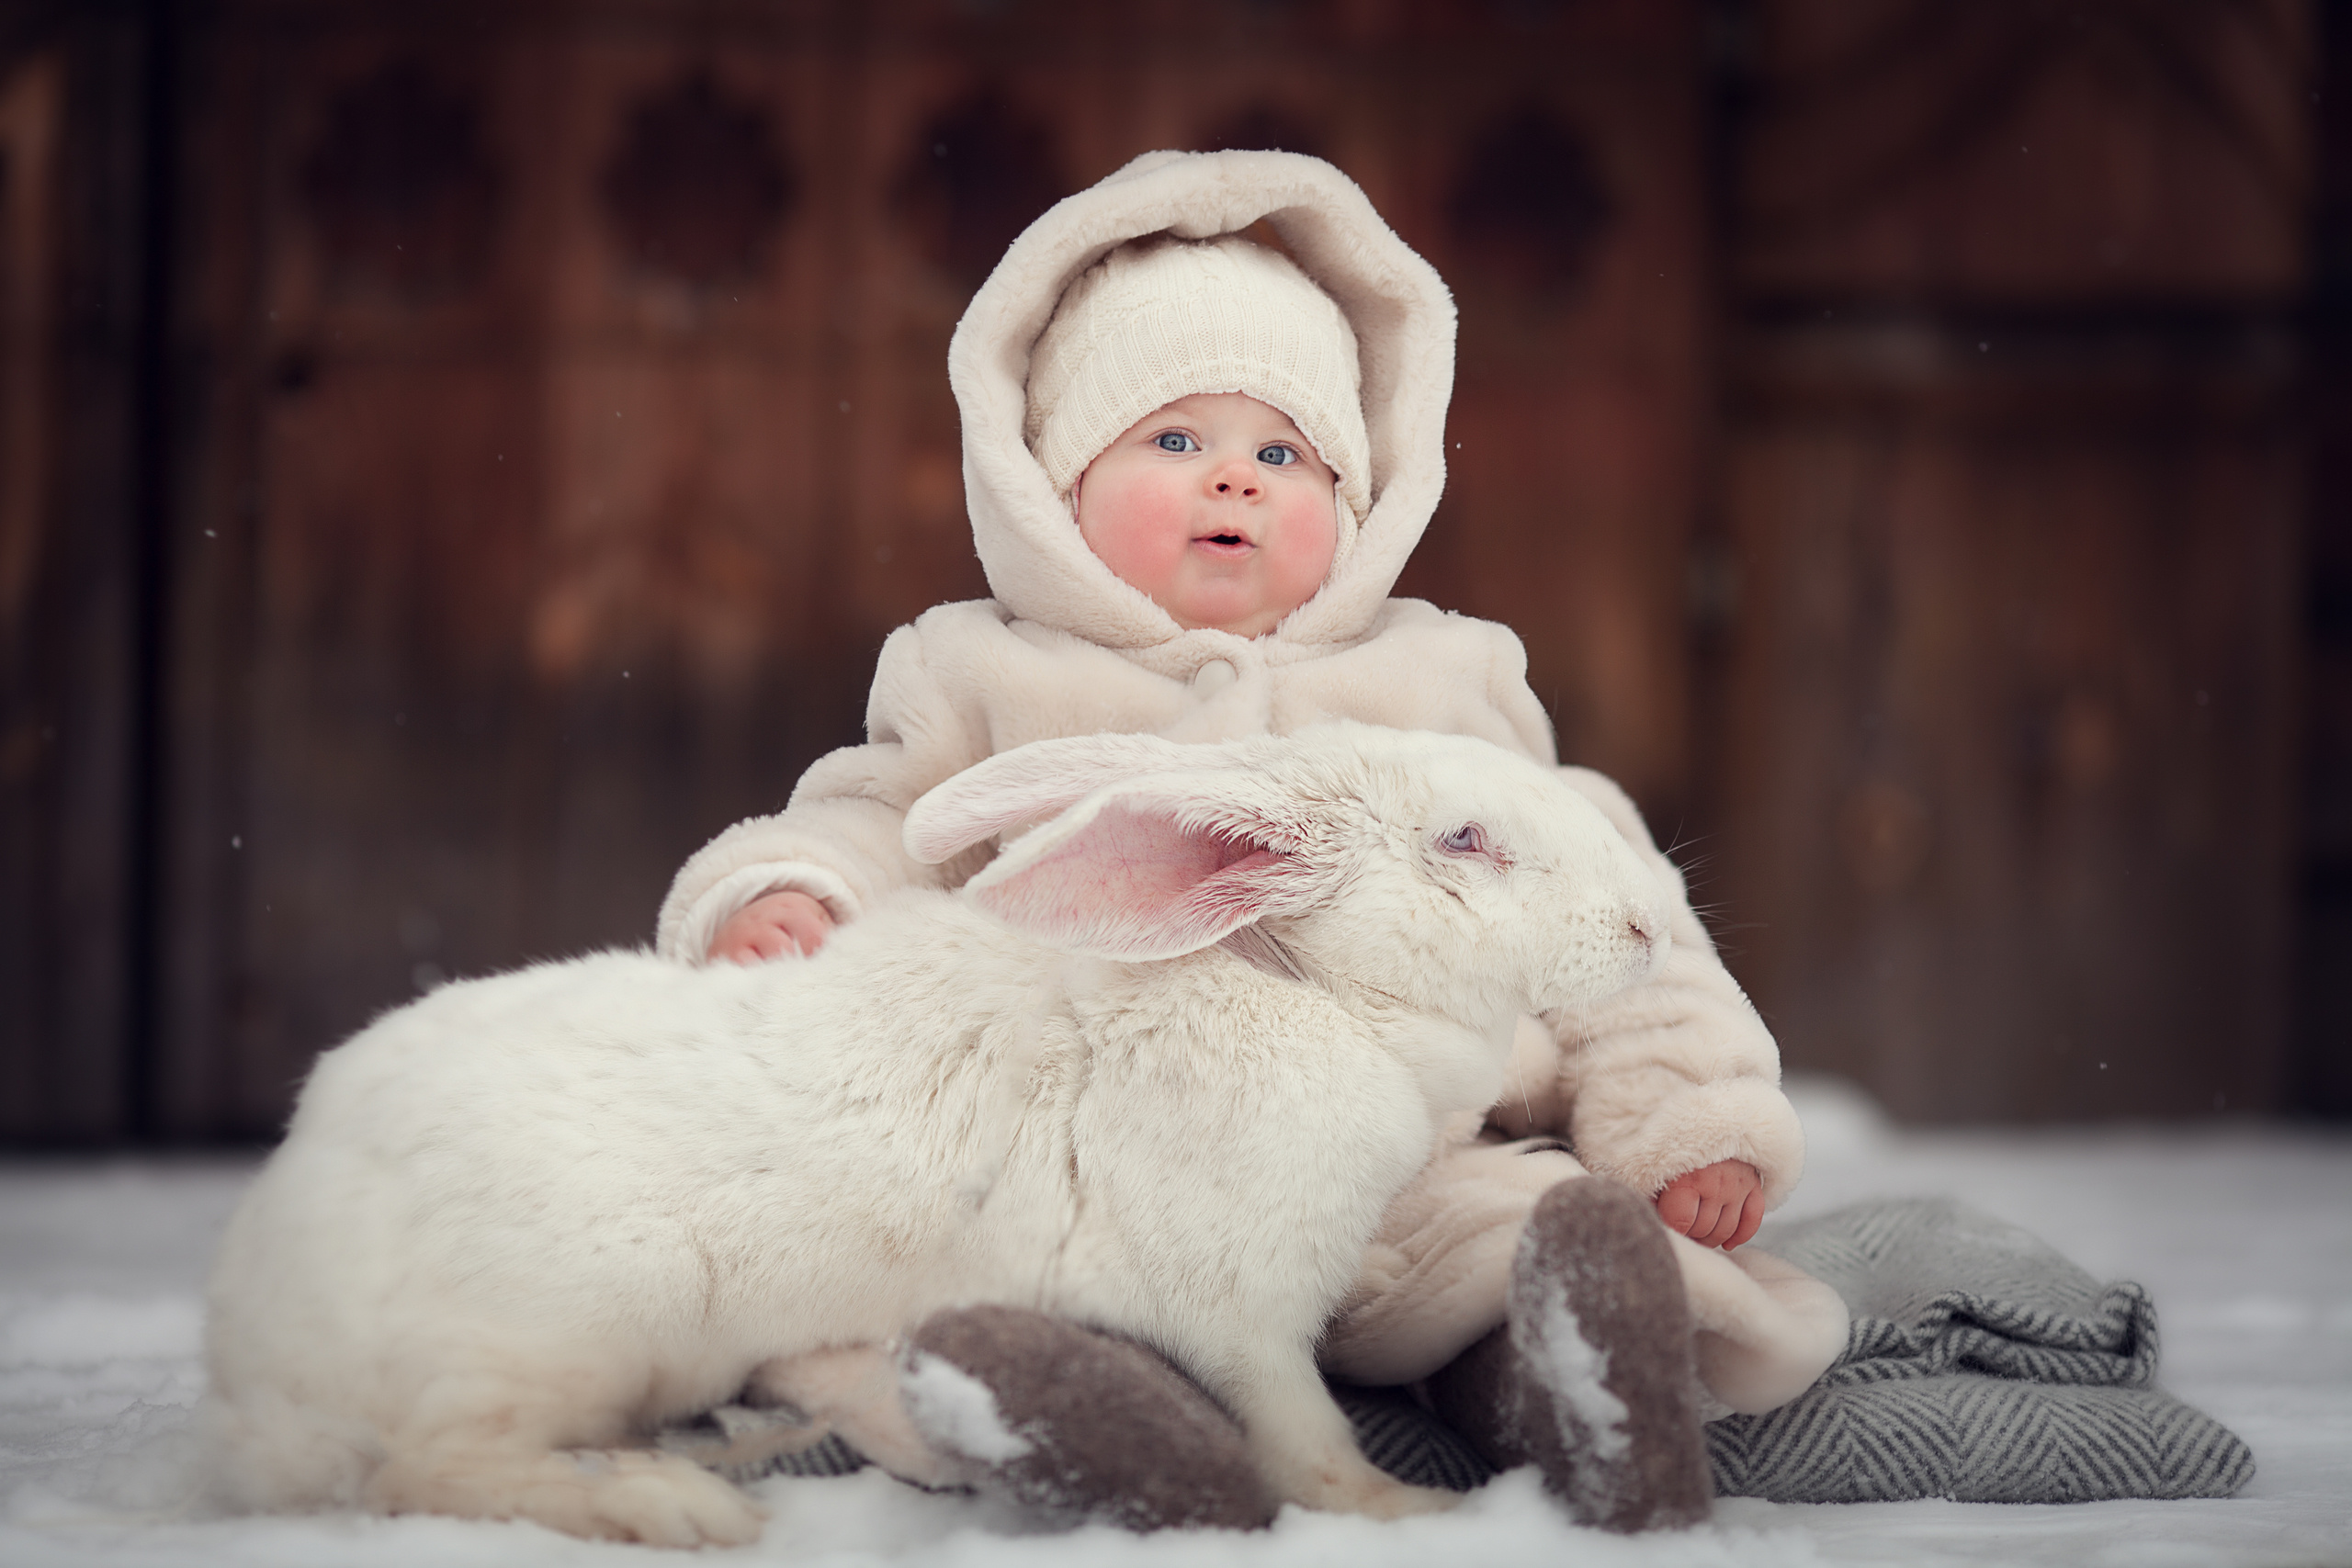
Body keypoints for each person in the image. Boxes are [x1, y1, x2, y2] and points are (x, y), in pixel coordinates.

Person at [657, 150, 1846, 1528]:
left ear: (1355, 500)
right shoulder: (980, 675)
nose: (1235, 481)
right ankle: (1087, 1413)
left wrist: (1687, 1119)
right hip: (1110, 1172)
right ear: (1050, 484)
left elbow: (1616, 918)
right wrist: (789, 896)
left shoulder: (1445, 683)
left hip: (1427, 1169)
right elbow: (878, 820)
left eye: (1283, 453)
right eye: (1173, 441)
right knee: (1039, 1280)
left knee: (1520, 1254)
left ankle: (1567, 1380)